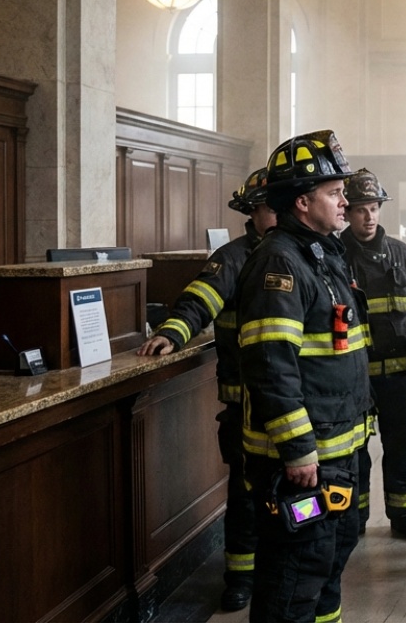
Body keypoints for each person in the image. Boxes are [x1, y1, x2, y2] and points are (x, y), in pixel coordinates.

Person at [234, 130, 372, 623]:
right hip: (304, 460)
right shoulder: (280, 262)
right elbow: (271, 364)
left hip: (337, 450)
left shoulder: (322, 253)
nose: (345, 201)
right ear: (301, 201)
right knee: (293, 581)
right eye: (334, 193)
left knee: (326, 569)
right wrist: (297, 449)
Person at [137, 167, 275, 612]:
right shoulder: (233, 257)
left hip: (296, 403)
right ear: (251, 213)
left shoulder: (307, 253)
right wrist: (174, 332)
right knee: (246, 494)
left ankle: (281, 569)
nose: (272, 214)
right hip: (245, 402)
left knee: (290, 496)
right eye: (265, 208)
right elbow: (201, 298)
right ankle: (239, 576)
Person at [340, 168, 406, 541]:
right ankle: (356, 518)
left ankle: (405, 514)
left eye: (374, 207)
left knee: (404, 447)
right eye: (361, 208)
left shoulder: (400, 252)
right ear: (347, 211)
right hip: (353, 374)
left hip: (397, 373)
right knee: (354, 451)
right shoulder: (333, 255)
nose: (369, 216)